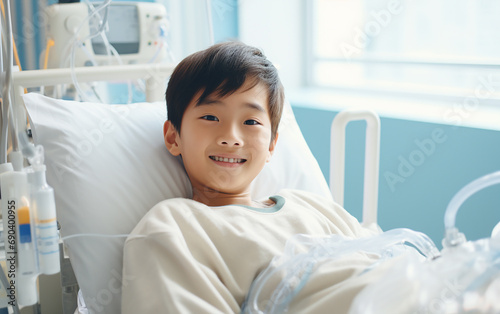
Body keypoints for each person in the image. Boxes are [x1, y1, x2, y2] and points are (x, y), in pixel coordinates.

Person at [121, 41, 377, 313]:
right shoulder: (175, 228)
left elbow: (382, 256)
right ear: (173, 137)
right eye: (210, 116)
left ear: (271, 146)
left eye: (251, 122)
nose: (231, 138)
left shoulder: (315, 208)